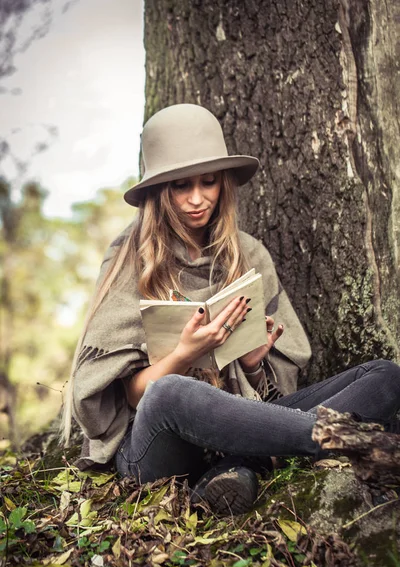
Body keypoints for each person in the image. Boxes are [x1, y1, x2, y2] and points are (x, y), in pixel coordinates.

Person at [62, 104, 400, 516]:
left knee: (384, 375)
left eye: (208, 182)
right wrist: (184, 354)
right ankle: (337, 439)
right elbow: (130, 397)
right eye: (181, 186)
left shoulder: (250, 253)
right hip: (157, 449)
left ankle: (244, 463)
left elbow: (275, 394)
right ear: (158, 191)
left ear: (224, 183)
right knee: (169, 392)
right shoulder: (130, 257)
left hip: (247, 424)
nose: (197, 199)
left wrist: (254, 364)